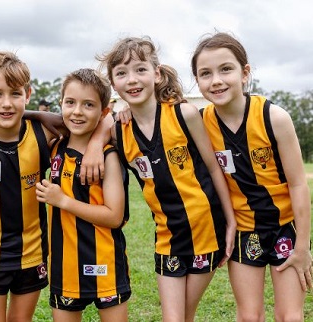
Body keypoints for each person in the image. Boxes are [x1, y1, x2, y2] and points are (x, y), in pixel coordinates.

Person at [0, 51, 113, 322]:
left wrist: (95, 144)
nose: (7, 103)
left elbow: (106, 117)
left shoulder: (44, 132)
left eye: (15, 94)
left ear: (28, 94)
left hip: (33, 254)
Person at [97, 36, 236, 322]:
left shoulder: (183, 114)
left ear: (156, 74)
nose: (132, 80)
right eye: (121, 73)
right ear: (113, 83)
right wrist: (91, 149)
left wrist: (231, 221)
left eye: (140, 70)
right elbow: (96, 126)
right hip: (167, 236)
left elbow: (213, 168)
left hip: (206, 231)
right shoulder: (119, 131)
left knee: (183, 316)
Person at [191, 32, 312, 321]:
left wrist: (303, 246)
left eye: (226, 69)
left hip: (286, 228)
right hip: (245, 230)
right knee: (249, 316)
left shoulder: (274, 117)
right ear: (197, 81)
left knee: (289, 316)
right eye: (205, 73)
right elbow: (152, 116)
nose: (216, 80)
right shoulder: (199, 122)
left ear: (245, 73)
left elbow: (298, 184)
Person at [35, 68, 131, 322]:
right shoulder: (53, 146)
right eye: (70, 102)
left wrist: (63, 201)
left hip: (105, 262)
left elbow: (114, 217)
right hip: (63, 265)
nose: (77, 111)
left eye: (88, 105)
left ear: (103, 112)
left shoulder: (108, 156)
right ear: (60, 104)